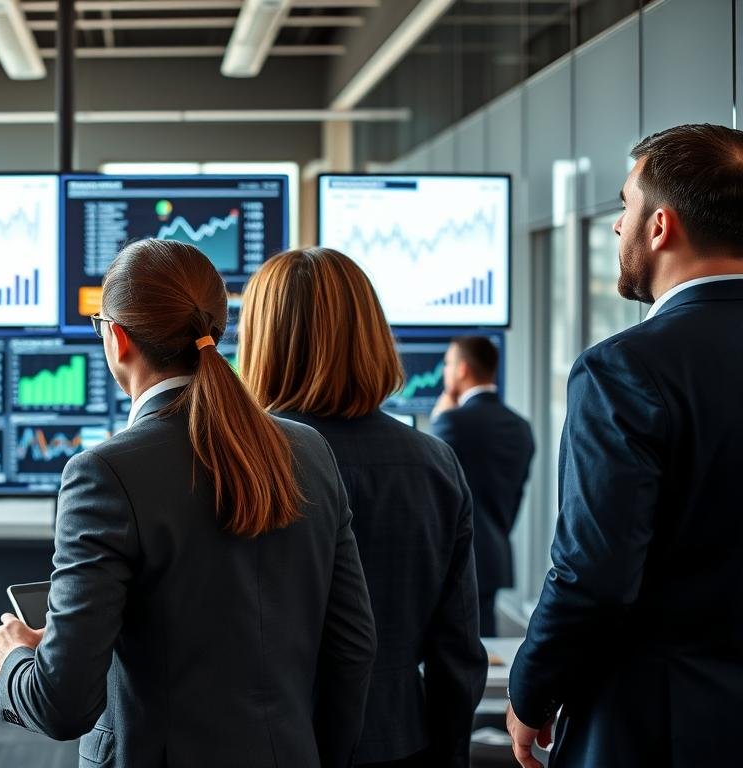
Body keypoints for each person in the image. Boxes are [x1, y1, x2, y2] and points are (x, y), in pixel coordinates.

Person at [0, 239, 376, 767]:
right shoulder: (310, 450)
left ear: (118, 338)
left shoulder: (103, 473)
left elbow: (62, 704)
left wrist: (14, 658)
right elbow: (353, 648)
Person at [506, 124, 743, 768]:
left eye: (625, 205)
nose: (617, 226)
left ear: (660, 226)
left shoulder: (625, 368)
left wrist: (532, 689)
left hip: (657, 727)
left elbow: (596, 574)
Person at [239, 247, 487, 768]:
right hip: (398, 742)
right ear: (372, 335)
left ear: (261, 340)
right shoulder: (435, 465)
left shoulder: (238, 464)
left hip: (265, 743)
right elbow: (458, 652)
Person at [430, 336, 535, 637]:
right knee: (482, 647)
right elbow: (514, 499)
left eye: (447, 364)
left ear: (462, 369)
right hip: (493, 557)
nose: (444, 372)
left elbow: (430, 488)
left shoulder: (451, 422)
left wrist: (438, 419)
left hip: (451, 559)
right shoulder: (520, 427)